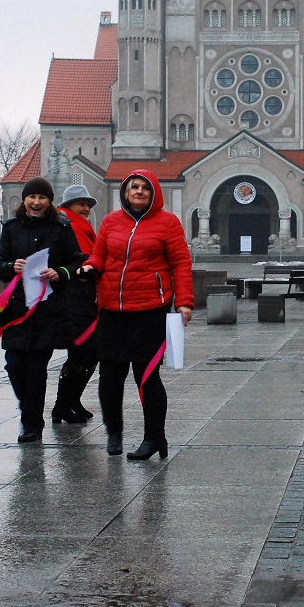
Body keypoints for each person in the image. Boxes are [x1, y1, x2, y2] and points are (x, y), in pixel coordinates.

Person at [80, 170, 194, 460]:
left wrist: (184, 302)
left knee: (146, 377)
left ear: (154, 192)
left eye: (145, 187)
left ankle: (154, 437)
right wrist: (91, 266)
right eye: (134, 187)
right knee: (110, 376)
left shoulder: (168, 223)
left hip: (150, 309)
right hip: (112, 309)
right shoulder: (110, 222)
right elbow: (99, 255)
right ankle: (114, 433)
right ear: (125, 192)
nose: (139, 192)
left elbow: (181, 263)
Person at [0, 176, 85, 443]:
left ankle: (31, 424)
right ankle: (28, 409)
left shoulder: (60, 227)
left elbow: (77, 260)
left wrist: (60, 272)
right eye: (32, 197)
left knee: (36, 368)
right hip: (17, 308)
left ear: (49, 201)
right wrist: (12, 267)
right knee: (14, 365)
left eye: (42, 197)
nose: (36, 202)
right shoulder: (11, 228)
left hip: (48, 309)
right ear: (24, 199)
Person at [51, 184, 100, 423]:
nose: (86, 209)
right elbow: (84, 260)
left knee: (84, 353)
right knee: (84, 352)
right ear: (69, 204)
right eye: (82, 204)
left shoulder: (74, 223)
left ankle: (70, 402)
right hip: (75, 297)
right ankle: (63, 404)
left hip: (79, 296)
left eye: (88, 205)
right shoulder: (72, 225)